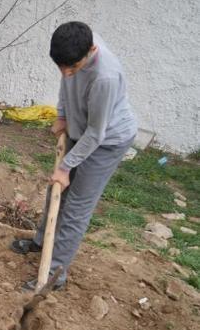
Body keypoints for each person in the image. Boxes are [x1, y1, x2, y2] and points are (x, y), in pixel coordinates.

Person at [12, 22, 137, 291]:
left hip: (107, 140)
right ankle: (41, 242)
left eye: (73, 67)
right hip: (81, 129)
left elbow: (96, 133)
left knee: (76, 207)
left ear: (91, 51)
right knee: (56, 191)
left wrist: (67, 165)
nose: (66, 73)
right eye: (61, 66)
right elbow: (67, 83)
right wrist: (62, 114)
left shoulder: (106, 77)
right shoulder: (74, 48)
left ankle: (55, 273)